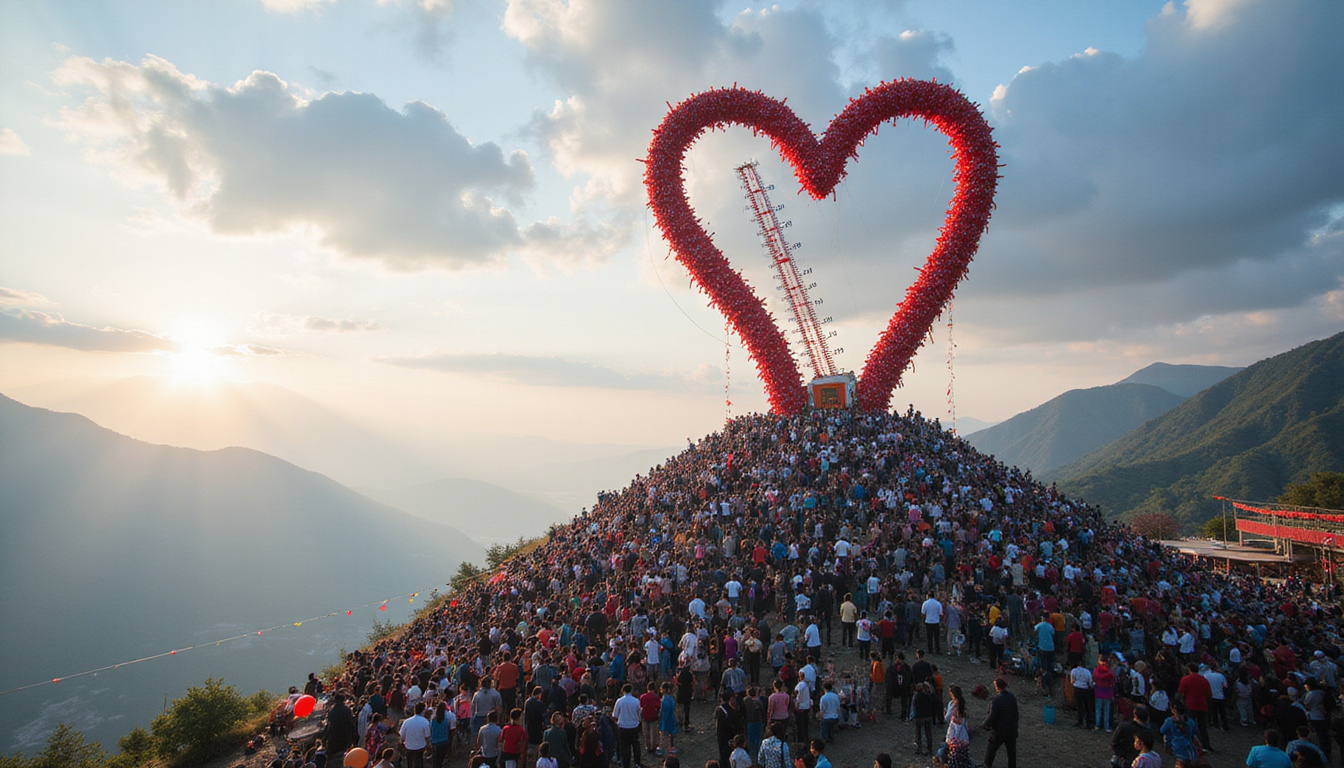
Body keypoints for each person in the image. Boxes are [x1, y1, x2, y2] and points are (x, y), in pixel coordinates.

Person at [982, 678, 1018, 768]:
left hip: (1000, 731)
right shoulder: (1011, 697)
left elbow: (992, 715)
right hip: (1011, 730)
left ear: (997, 687)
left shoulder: (996, 700)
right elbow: (1016, 714)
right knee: (1011, 753)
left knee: (991, 751)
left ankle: (987, 766)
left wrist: (985, 724)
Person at [940, 684, 972, 768]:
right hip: (962, 728)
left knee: (952, 746)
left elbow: (947, 717)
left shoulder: (953, 704)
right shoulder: (962, 703)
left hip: (954, 727)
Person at [614, 684, 643, 768]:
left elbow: (615, 715)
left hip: (623, 726)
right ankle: (637, 763)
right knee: (636, 746)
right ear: (631, 690)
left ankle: (626, 764)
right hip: (634, 726)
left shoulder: (619, 701)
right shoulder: (636, 701)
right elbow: (639, 714)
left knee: (624, 747)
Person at [401, 701, 433, 768]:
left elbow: (402, 736)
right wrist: (429, 747)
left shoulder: (406, 722)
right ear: (423, 710)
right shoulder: (425, 722)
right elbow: (427, 737)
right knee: (419, 764)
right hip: (420, 747)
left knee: (410, 764)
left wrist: (401, 744)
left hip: (409, 747)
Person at [430, 701, 456, 768]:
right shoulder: (446, 720)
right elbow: (449, 729)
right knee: (441, 759)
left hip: (435, 741)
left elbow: (431, 730)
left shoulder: (433, 720)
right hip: (444, 741)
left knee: (435, 759)